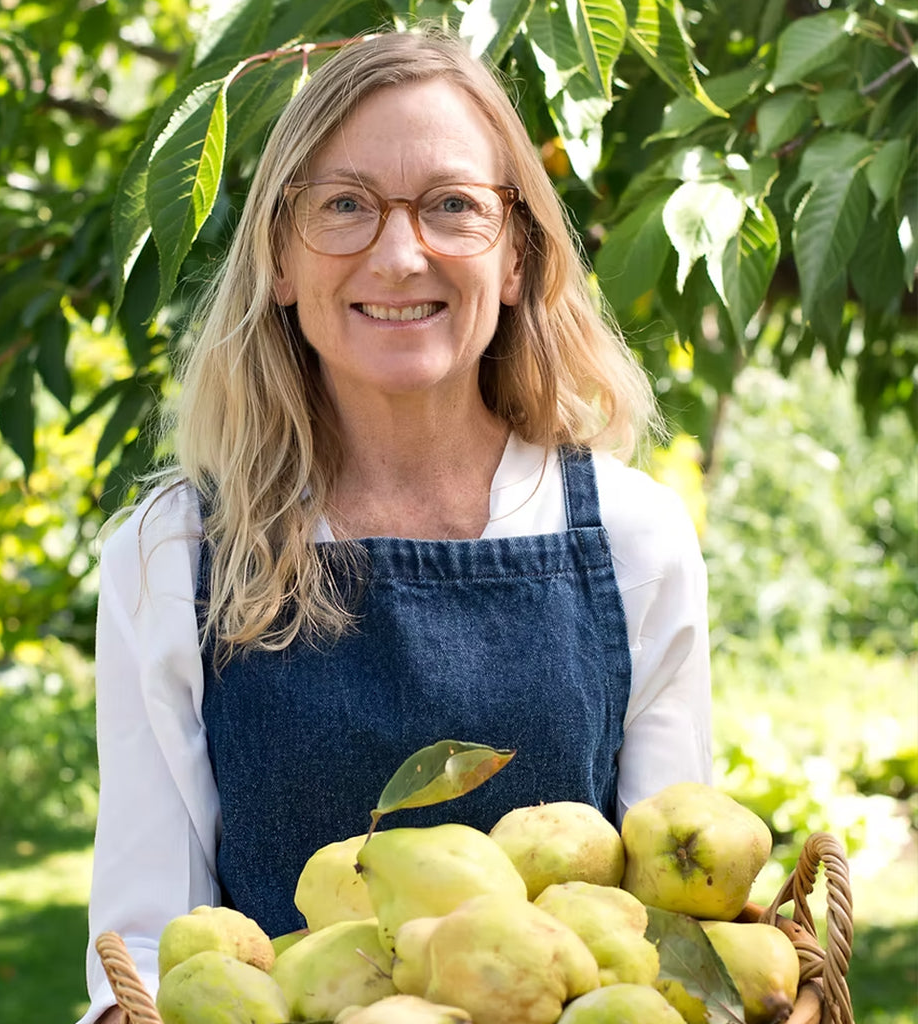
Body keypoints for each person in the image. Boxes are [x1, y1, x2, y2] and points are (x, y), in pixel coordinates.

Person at [77, 27, 712, 1024]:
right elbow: (149, 952)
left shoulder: (636, 539)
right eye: (345, 205)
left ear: (515, 255)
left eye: (453, 205)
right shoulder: (174, 556)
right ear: (280, 260)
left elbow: (683, 928)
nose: (402, 253)